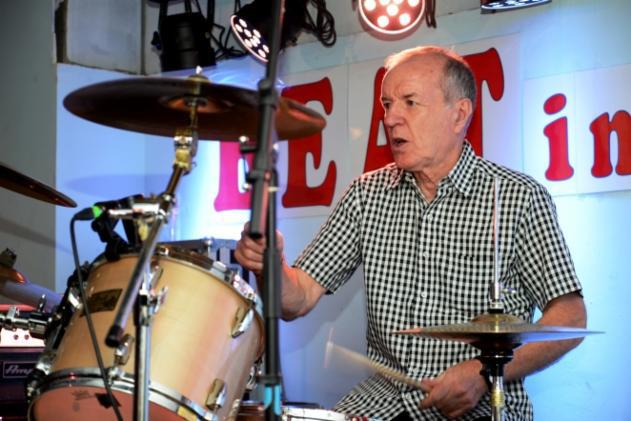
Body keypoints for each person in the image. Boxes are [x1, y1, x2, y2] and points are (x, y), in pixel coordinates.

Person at [235, 45, 586, 420]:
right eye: (387, 104)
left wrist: (485, 373)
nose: (390, 119)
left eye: (410, 102)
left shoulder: (518, 197)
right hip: (382, 403)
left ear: (459, 114)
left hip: (481, 407)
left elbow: (571, 318)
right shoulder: (366, 195)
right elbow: (297, 298)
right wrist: (270, 266)